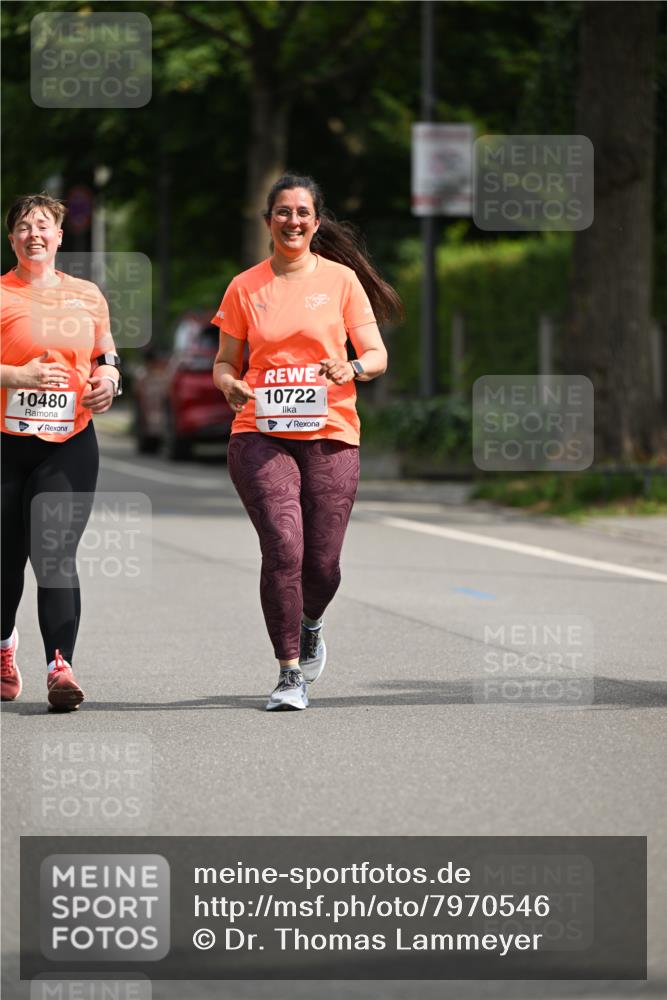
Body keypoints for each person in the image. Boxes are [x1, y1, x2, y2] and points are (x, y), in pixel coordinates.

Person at [212, 172, 403, 711]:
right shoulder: (245, 286)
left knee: (322, 564)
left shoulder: (342, 281)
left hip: (332, 433)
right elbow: (225, 361)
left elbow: (377, 354)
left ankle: (311, 622)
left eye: (302, 212)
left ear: (316, 222)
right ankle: (289, 671)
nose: (292, 220)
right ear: (268, 220)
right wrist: (229, 383)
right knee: (283, 544)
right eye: (282, 212)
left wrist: (353, 367)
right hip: (260, 432)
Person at [1, 193, 122, 711]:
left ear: (58, 237)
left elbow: (105, 350)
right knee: (5, 560)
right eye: (24, 227)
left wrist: (110, 377)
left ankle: (59, 666)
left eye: (44, 225)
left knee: (53, 555)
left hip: (69, 440)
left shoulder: (87, 295)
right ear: (12, 239)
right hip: (5, 443)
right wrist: (17, 376)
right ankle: (4, 647)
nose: (35, 234)